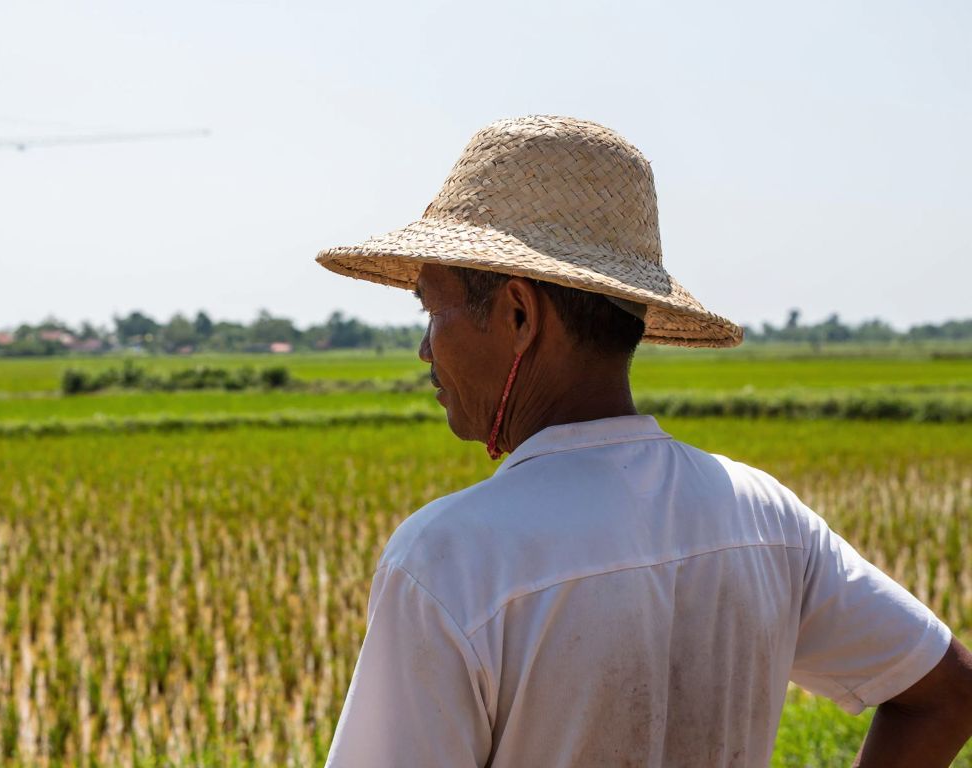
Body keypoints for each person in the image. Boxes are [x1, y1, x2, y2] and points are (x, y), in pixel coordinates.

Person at [313, 115, 972, 766]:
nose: (426, 347)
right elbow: (947, 695)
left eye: (433, 310)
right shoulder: (765, 516)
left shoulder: (449, 560)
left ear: (518, 314)